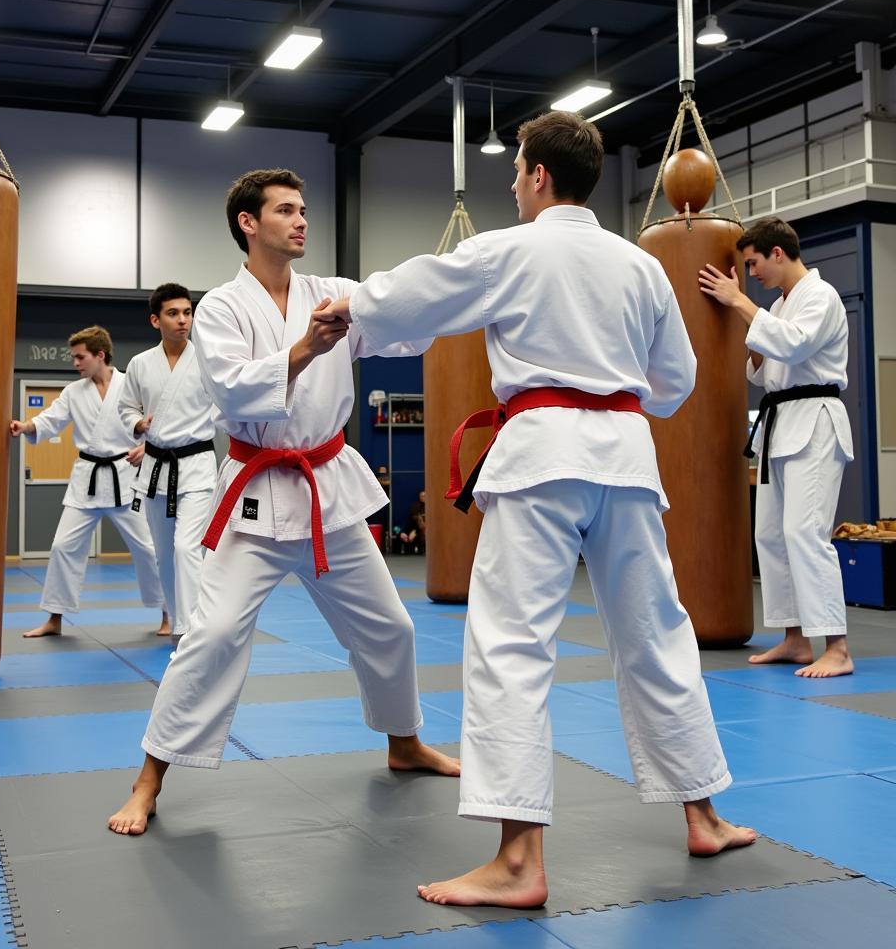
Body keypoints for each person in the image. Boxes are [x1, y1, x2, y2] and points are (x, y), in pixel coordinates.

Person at [318, 111, 755, 908]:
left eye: (517, 171)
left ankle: (519, 860)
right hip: (625, 455)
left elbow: (412, 293)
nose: (514, 185)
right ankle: (704, 815)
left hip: (540, 458)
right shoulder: (638, 264)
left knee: (513, 644)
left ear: (540, 175)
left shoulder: (509, 249)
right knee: (657, 634)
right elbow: (678, 379)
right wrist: (613, 398)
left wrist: (341, 310)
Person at [108, 168, 459, 838]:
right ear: (249, 222)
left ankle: (403, 741)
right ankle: (149, 778)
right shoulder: (219, 309)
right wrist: (303, 348)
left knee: (393, 629)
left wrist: (447, 285)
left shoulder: (331, 293)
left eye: (304, 211)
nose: (302, 222)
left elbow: (401, 323)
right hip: (259, 493)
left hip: (328, 488)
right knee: (210, 636)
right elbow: (236, 394)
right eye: (287, 211)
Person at [699, 216, 854, 678]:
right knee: (771, 534)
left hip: (815, 421)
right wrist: (741, 315)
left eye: (753, 264)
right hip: (781, 424)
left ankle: (838, 646)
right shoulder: (783, 304)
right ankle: (795, 639)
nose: (753, 274)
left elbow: (793, 346)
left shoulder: (820, 297)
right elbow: (764, 371)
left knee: (806, 533)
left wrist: (742, 303)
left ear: (778, 253)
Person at [10, 326, 166, 637]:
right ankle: (54, 619)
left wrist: (147, 446)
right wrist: (25, 425)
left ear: (100, 356)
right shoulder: (73, 393)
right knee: (63, 546)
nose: (75, 363)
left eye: (80, 357)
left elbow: (157, 423)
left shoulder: (130, 385)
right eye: (74, 358)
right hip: (88, 479)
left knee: (149, 548)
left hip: (126, 477)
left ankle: (167, 614)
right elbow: (50, 420)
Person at [119, 283, 218, 644]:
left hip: (196, 465)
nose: (182, 320)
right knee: (164, 554)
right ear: (155, 320)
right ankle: (178, 620)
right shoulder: (140, 364)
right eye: (173, 313)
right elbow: (126, 406)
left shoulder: (208, 359)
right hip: (157, 468)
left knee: (186, 548)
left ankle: (190, 630)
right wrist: (137, 424)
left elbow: (225, 404)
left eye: (187, 312)